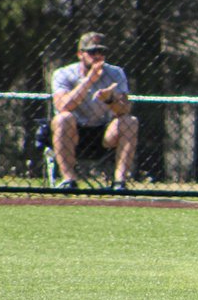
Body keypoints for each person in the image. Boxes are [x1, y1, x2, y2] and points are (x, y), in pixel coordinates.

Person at [50, 32, 139, 191]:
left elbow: (125, 109)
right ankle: (69, 180)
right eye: (92, 52)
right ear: (80, 54)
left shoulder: (116, 73)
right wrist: (89, 81)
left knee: (130, 121)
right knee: (63, 118)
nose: (98, 56)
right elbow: (62, 106)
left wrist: (110, 99)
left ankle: (119, 183)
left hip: (104, 131)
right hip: (74, 132)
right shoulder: (63, 73)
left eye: (102, 52)